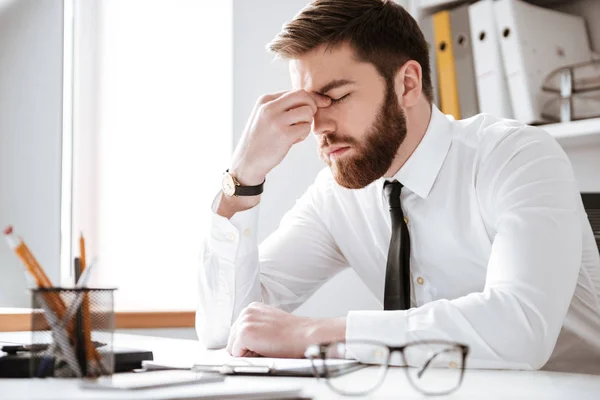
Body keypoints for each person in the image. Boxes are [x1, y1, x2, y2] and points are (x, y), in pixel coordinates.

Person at [196, 0, 600, 373]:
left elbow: (520, 329)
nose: (318, 128)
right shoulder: (336, 197)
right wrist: (244, 177)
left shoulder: (517, 157)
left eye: (334, 97)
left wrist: (315, 335)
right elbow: (228, 328)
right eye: (308, 105)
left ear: (407, 83)